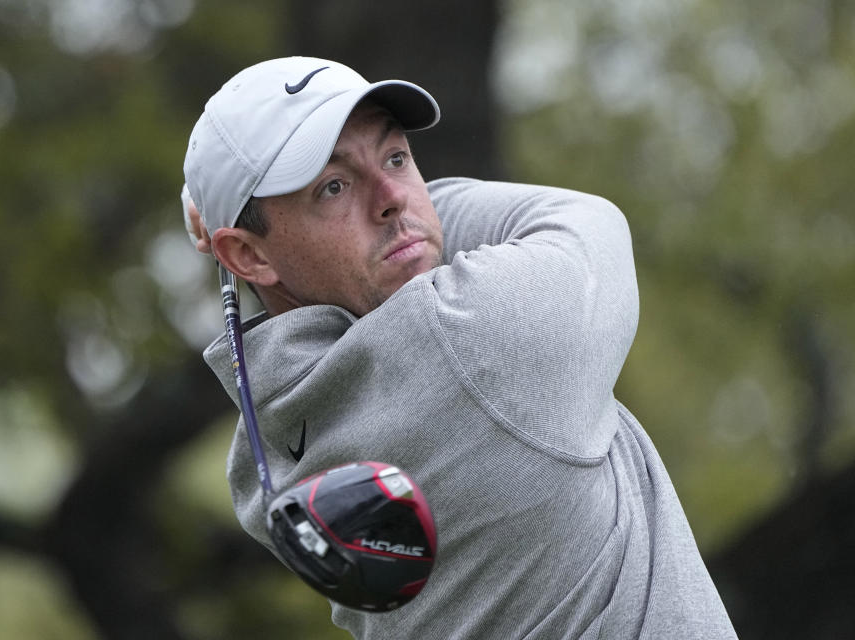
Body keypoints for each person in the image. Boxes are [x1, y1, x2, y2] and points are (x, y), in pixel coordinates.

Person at [182, 56, 737, 639]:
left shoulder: (264, 458)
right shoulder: (478, 338)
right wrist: (412, 217)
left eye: (397, 157)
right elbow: (585, 220)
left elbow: (314, 258)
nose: (392, 196)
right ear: (250, 255)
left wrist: (231, 217)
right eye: (334, 186)